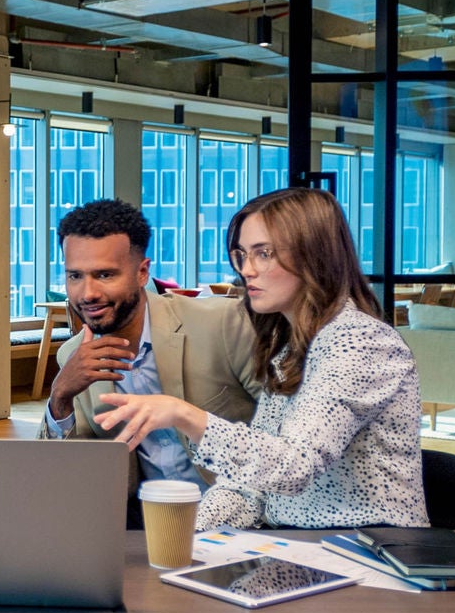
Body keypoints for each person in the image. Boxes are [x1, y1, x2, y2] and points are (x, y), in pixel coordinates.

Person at [95, 186, 427, 530]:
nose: (247, 270)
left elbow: (294, 466)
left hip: (371, 553)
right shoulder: (291, 348)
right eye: (242, 254)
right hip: (303, 550)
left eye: (264, 253)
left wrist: (184, 414)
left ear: (315, 256)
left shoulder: (360, 342)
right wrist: (181, 536)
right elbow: (249, 486)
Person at [39, 199, 266, 525]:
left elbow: (287, 433)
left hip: (243, 516)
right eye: (75, 275)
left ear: (142, 272)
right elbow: (67, 477)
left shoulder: (222, 324)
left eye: (104, 275)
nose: (87, 293)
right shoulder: (74, 355)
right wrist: (60, 396)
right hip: (147, 523)